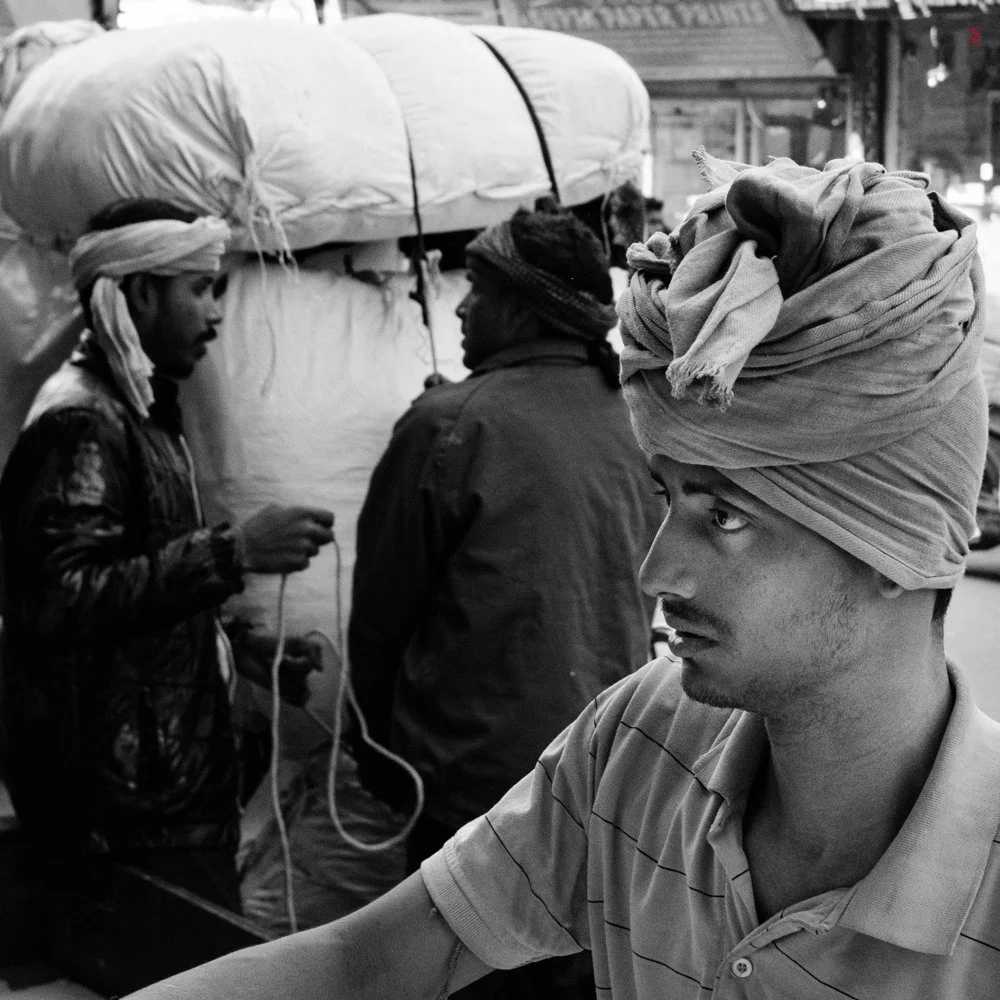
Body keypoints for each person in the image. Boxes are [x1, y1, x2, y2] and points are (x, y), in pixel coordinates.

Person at [124, 151, 1000, 998]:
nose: (657, 572)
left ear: (897, 540)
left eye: (726, 518)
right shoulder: (644, 738)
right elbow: (375, 961)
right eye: (668, 498)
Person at [348, 204, 660, 995]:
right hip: (611, 776)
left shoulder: (447, 427)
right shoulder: (640, 420)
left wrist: (375, 753)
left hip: (471, 794)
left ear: (523, 307)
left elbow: (381, 624)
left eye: (477, 288)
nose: (458, 304)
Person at [0, 199, 335, 913]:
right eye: (200, 288)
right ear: (142, 293)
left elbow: (128, 590)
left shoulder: (142, 413)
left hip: (159, 797)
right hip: (124, 815)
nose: (216, 314)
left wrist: (236, 643)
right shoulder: (83, 421)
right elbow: (58, 602)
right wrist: (233, 551)